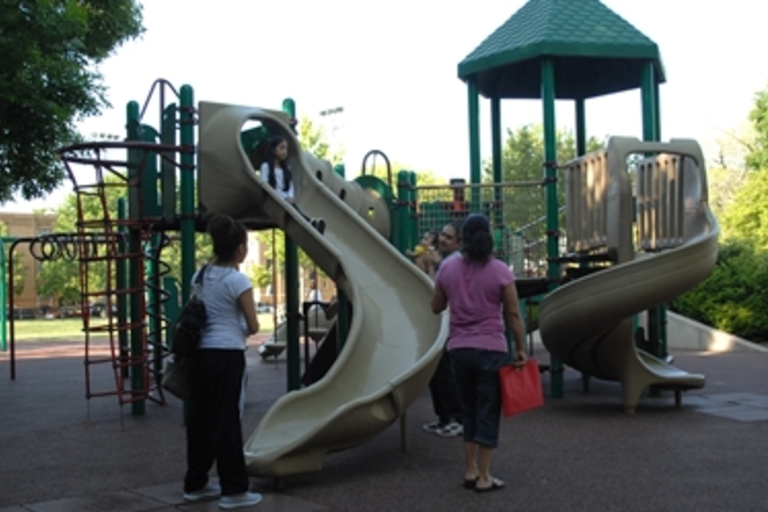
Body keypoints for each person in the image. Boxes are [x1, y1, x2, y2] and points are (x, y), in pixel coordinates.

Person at [431, 213, 526, 493]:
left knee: (468, 411)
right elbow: (513, 314)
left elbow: (435, 306)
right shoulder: (500, 271)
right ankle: (485, 476)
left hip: (459, 350)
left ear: (462, 239)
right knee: (487, 411)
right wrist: (520, 348)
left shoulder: (447, 268)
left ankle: (470, 470)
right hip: (491, 350)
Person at [183, 214, 263, 509]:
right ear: (240, 249)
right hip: (227, 353)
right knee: (227, 419)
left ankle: (196, 482)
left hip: (200, 353)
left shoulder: (200, 275)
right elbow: (253, 326)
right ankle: (234, 489)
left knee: (201, 420)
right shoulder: (238, 280)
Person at [421, 221, 465, 437]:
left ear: (459, 242)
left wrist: (433, 266)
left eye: (449, 237)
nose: (442, 240)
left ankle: (457, 417)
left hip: (451, 322)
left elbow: (436, 291)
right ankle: (445, 416)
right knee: (438, 372)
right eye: (443, 236)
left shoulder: (453, 263)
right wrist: (429, 265)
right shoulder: (445, 262)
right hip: (443, 320)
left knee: (446, 372)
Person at [260, 135, 326, 234]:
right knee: (293, 208)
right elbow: (265, 185)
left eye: (286, 148)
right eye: (281, 148)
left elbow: (290, 186)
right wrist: (282, 197)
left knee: (293, 207)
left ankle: (310, 222)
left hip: (286, 200)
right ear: (273, 150)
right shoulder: (266, 167)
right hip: (274, 199)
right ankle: (309, 222)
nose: (284, 151)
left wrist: (290, 197)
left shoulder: (287, 169)